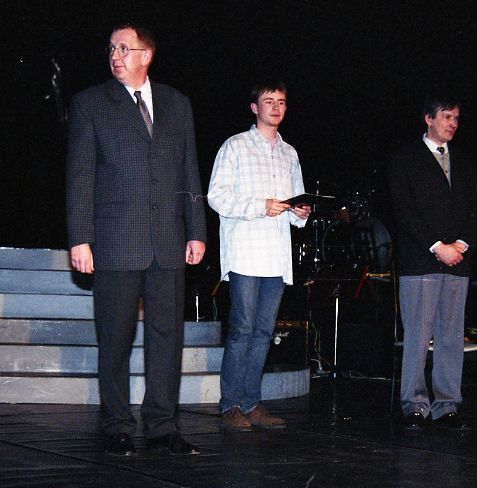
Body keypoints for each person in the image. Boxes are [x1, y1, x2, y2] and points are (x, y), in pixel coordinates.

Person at [65, 22, 207, 456]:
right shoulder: (90, 103)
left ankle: (163, 425)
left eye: (124, 48)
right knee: (115, 339)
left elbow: (189, 171)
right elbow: (80, 176)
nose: (115, 55)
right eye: (111, 48)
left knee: (167, 339)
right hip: (115, 241)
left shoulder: (177, 103)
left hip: (167, 241)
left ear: (147, 55)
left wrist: (197, 230)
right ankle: (117, 425)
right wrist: (80, 238)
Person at [207, 82, 311, 431]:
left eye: (281, 101)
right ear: (255, 108)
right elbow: (217, 197)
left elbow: (297, 208)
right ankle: (230, 405)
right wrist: (260, 206)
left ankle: (252, 403)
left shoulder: (290, 153)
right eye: (269, 101)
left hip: (276, 256)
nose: (276, 107)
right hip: (245, 252)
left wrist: (301, 212)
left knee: (264, 332)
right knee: (242, 329)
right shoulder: (235, 146)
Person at [386, 97, 477, 430]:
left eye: (456, 118)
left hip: (457, 261)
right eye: (446, 117)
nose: (453, 123)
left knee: (451, 336)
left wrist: (462, 244)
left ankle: (447, 405)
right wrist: (436, 246)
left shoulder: (465, 161)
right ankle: (415, 405)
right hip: (421, 261)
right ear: (428, 118)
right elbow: (404, 210)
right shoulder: (404, 159)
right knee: (418, 336)